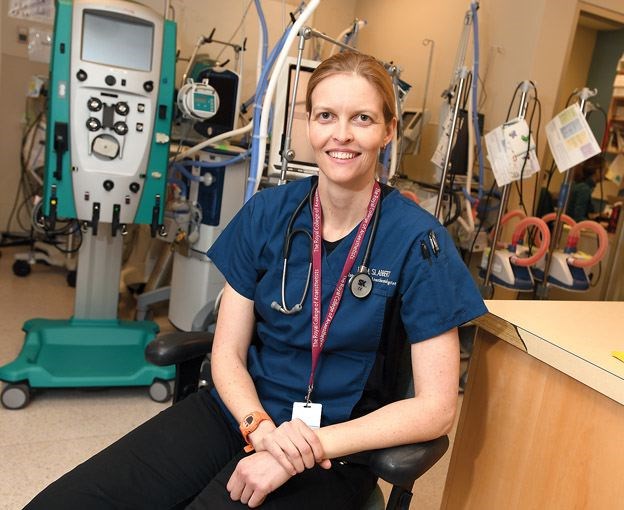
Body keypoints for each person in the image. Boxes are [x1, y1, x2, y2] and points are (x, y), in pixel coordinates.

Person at [26, 51, 486, 509]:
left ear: (388, 130)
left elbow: (436, 408)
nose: (341, 134)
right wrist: (261, 430)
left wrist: (301, 451)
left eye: (362, 118)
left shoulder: (418, 242)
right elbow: (226, 352)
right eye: (326, 115)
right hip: (239, 414)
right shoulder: (267, 214)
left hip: (335, 449)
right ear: (308, 125)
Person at [566, 154, 605, 222]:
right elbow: (578, 218)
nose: (605, 174)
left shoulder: (583, 186)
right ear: (598, 171)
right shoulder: (584, 189)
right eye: (605, 170)